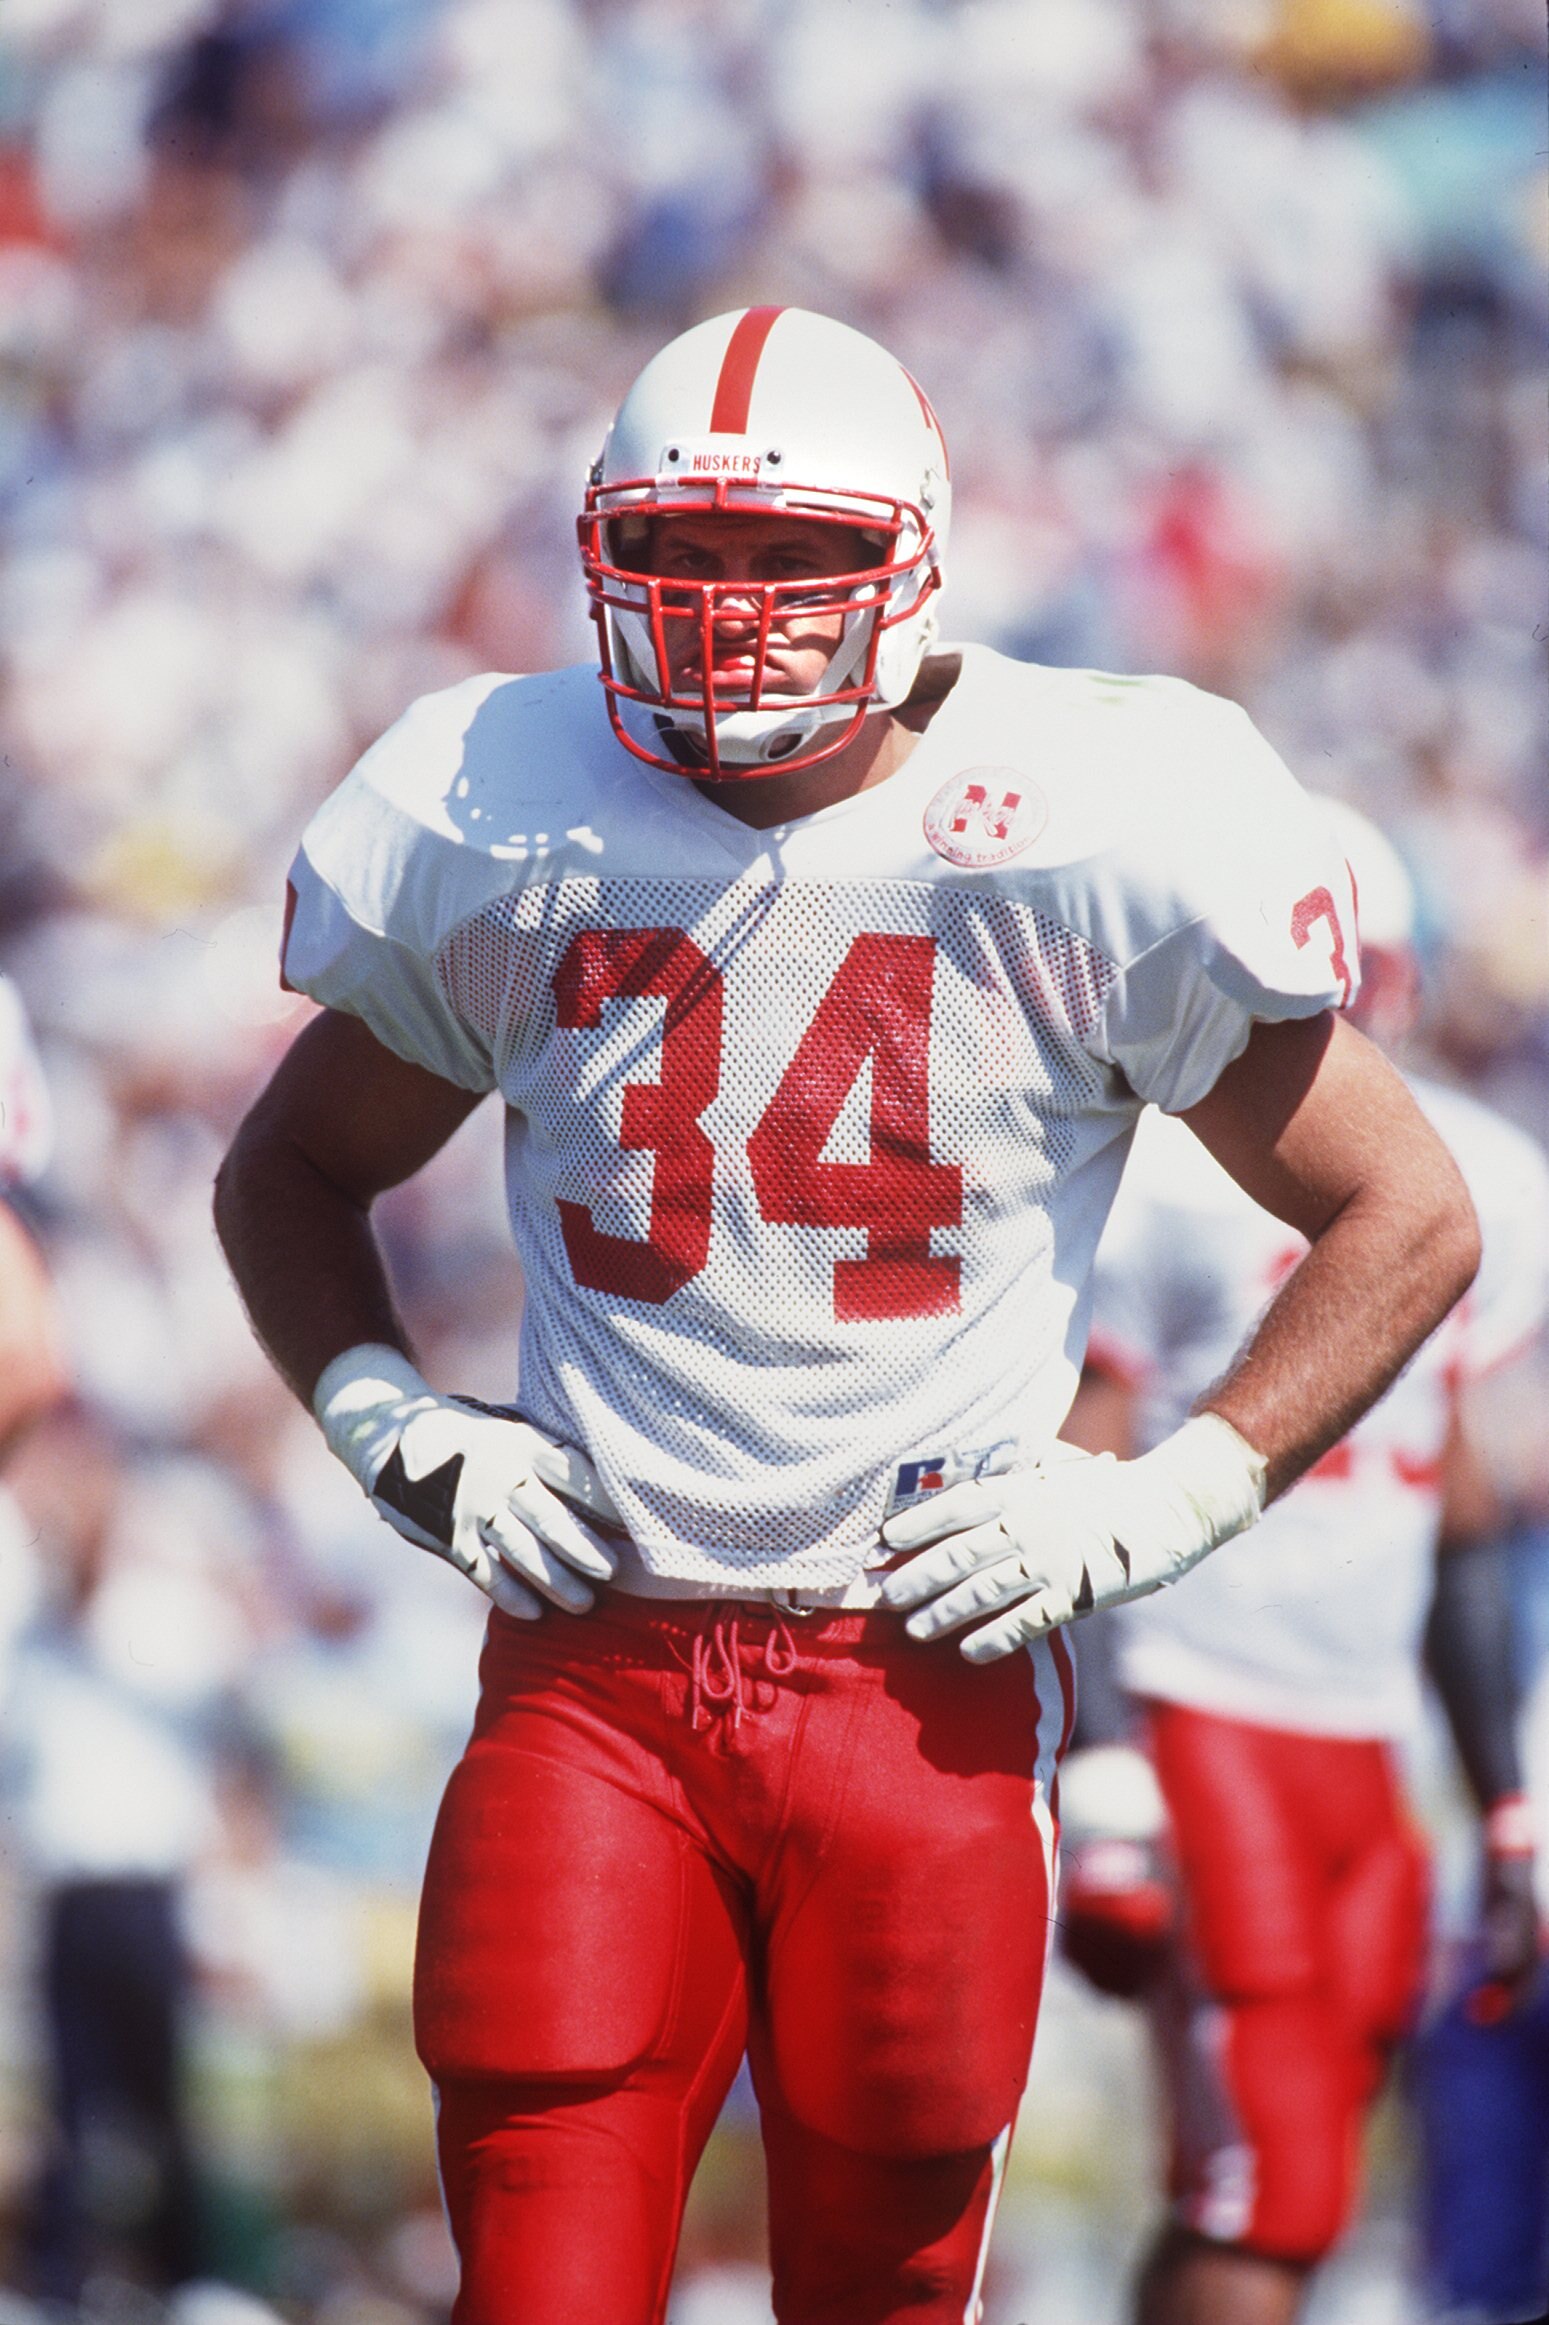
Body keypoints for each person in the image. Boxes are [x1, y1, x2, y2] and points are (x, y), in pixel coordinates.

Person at [213, 307, 1480, 2325]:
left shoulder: (1086, 813)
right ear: (602, 555)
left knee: (886, 2270)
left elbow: (1403, 1210)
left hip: (916, 1661)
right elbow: (286, 1170)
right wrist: (386, 1412)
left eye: (788, 556)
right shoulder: (501, 803)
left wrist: (1168, 1496)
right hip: (593, 1662)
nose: (731, 611)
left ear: (906, 563)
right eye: (685, 555)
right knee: (538, 2266)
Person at [1056, 802, 1549, 2325]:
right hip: (1201, 1712)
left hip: (1362, 1741)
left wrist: (1499, 1797)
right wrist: (1099, 1760)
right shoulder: (1152, 1173)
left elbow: (1450, 1510)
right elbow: (1070, 1470)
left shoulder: (1479, 1174)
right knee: (1254, 2188)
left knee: (1305, 2182)